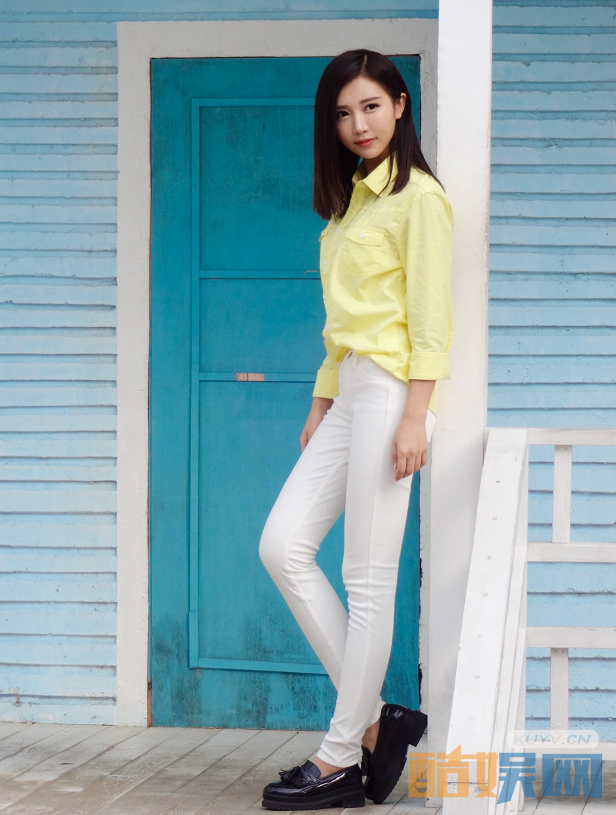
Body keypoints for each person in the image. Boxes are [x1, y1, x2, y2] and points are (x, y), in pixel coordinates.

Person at [259, 48, 454, 810]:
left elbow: (430, 318)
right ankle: (378, 721)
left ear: (400, 105)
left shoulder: (419, 199)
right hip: (349, 391)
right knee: (282, 545)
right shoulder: (349, 208)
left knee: (366, 579)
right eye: (342, 113)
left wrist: (415, 414)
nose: (358, 124)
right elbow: (343, 324)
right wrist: (321, 399)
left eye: (371, 106)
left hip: (394, 392)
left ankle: (341, 756)